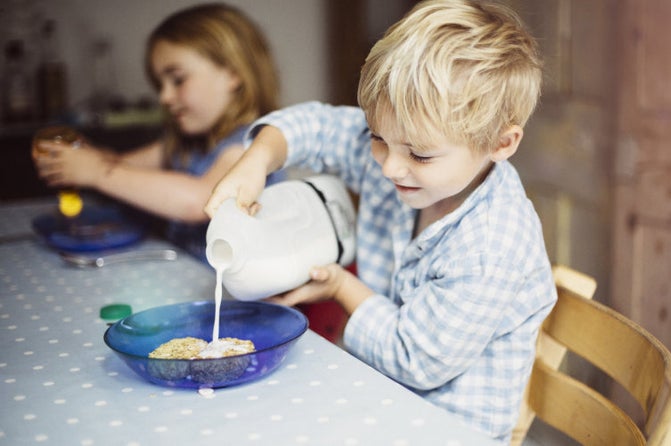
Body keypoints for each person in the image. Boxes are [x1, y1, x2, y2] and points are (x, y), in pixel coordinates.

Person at [205, 0, 557, 442]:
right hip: (371, 399)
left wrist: (340, 286)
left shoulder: (494, 242)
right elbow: (315, 126)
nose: (389, 166)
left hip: (439, 430)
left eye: (420, 154)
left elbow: (415, 359)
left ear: (501, 143)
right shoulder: (404, 148)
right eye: (376, 137)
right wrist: (256, 158)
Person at [32, 3, 283, 259]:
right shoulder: (183, 144)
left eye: (177, 79)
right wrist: (85, 157)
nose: (164, 96)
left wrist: (98, 171)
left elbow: (197, 201)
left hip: (229, 292)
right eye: (159, 84)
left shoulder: (251, 145)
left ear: (233, 74)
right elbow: (123, 165)